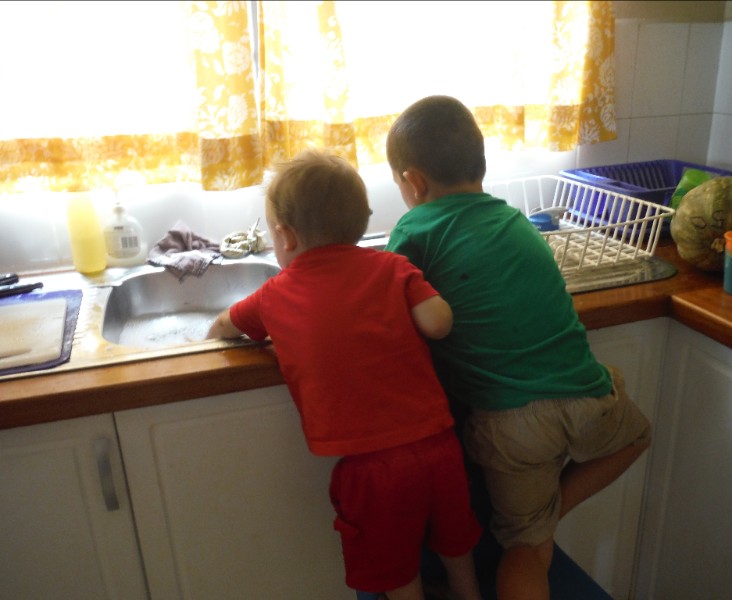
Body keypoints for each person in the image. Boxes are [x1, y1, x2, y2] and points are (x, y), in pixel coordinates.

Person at [384, 95, 652, 600]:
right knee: (638, 435)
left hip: (512, 426)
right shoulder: (515, 219)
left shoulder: (415, 228)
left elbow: (386, 303)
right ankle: (545, 515)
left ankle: (536, 520)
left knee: (524, 548)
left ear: (414, 181)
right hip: (589, 399)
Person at [206, 149, 483, 600]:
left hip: (373, 471)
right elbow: (437, 321)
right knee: (457, 542)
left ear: (285, 236)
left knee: (396, 569)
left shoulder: (275, 294)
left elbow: (223, 327)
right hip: (440, 447)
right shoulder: (393, 266)